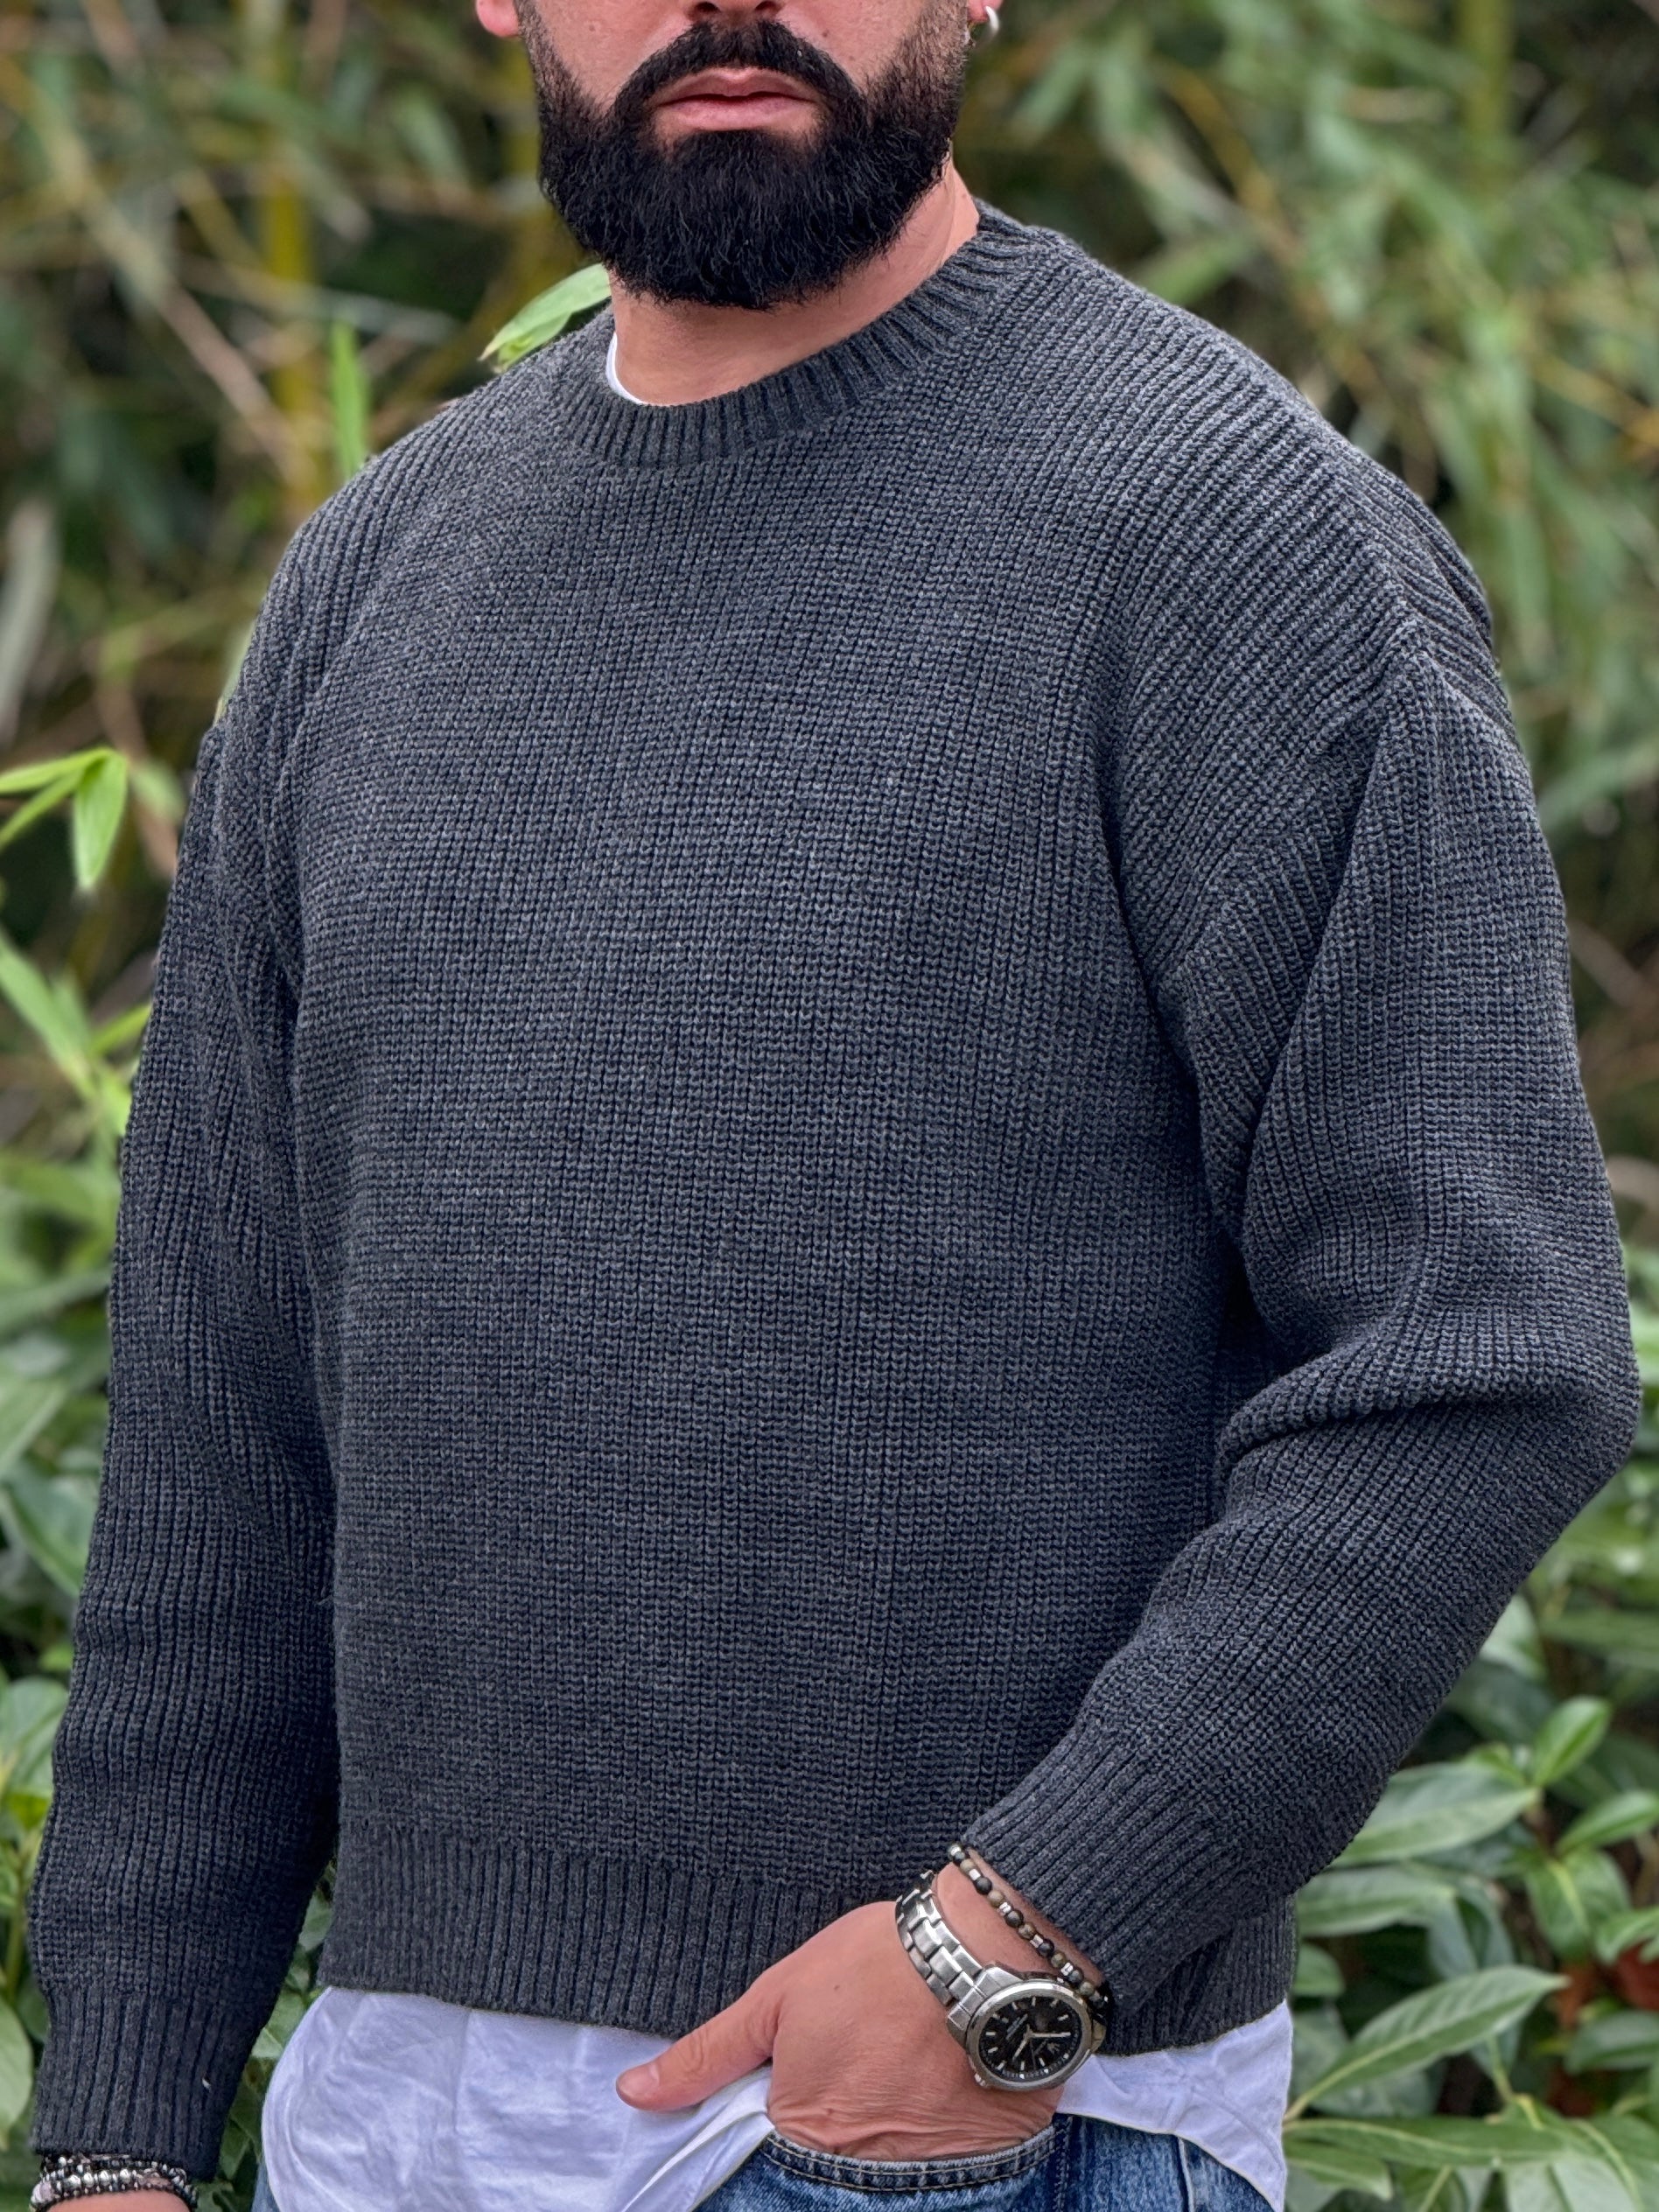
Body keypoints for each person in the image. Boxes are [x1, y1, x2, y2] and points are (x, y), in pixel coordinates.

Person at [23, 0, 1642, 2208]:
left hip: (961, 2133)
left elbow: (1482, 1358)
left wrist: (1004, 1947)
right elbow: (221, 1434)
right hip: (386, 2118)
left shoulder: (1232, 542)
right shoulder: (371, 584)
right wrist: (114, 2131)